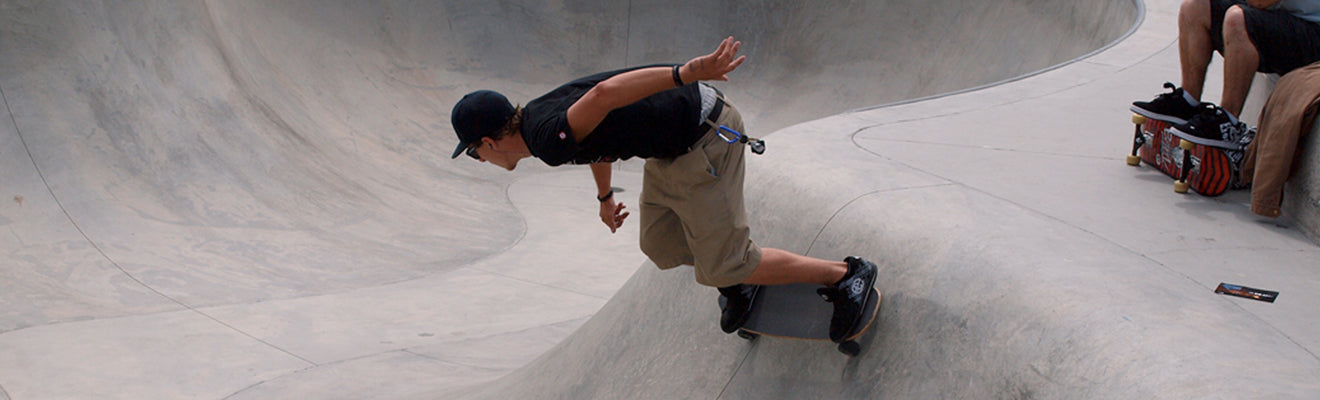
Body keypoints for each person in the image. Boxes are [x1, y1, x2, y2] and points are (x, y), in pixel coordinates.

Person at [449, 37, 876, 342]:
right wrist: (605, 198)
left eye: (473, 154)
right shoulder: (539, 122)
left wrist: (686, 72)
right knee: (660, 244)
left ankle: (846, 276)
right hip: (669, 152)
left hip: (706, 136)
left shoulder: (544, 139)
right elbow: (597, 143)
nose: (481, 161)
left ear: (488, 142)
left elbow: (604, 93)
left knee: (726, 262)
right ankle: (736, 282)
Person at [1131, 0, 1320, 147]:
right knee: (1197, 6)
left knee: (1238, 20)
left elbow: (1259, 2)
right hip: (1288, 19)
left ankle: (1227, 122)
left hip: (1313, 38)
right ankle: (1188, 101)